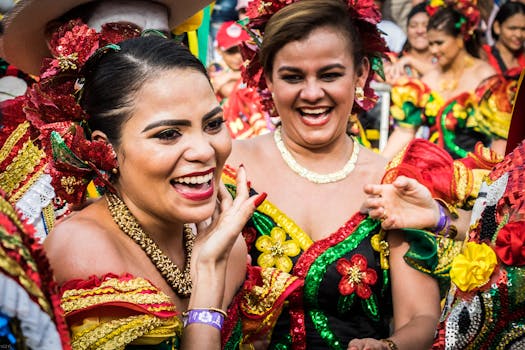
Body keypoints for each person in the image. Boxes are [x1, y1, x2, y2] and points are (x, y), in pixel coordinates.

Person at [223, 0, 447, 348]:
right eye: (292, 76)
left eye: (330, 75)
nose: (312, 93)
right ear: (267, 78)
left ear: (360, 74)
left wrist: (389, 346)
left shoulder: (393, 182)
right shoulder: (228, 168)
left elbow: (420, 317)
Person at [43, 35, 266, 349]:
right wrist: (206, 291)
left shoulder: (226, 242)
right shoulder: (83, 252)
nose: (204, 151)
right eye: (169, 134)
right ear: (105, 149)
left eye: (213, 124)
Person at [0, 0, 210, 242]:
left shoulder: (201, 148)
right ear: (60, 40)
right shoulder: (10, 138)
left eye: (159, 40)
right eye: (123, 33)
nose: (147, 57)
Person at [382, 1, 512, 160]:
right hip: (431, 174)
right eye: (431, 44)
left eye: (439, 43)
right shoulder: (429, 80)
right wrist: (379, 164)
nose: (434, 50)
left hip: (474, 175)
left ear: (460, 39)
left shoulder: (484, 76)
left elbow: (500, 138)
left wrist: (490, 178)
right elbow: (405, 131)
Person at [385, 2, 435, 81]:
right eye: (413, 26)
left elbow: (442, 77)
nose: (419, 31)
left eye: (425, 25)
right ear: (407, 30)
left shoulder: (443, 60)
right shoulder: (392, 60)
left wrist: (410, 60)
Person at [482, 1, 525, 76]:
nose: (519, 35)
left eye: (523, 29)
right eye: (512, 28)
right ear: (497, 27)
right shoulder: (483, 56)